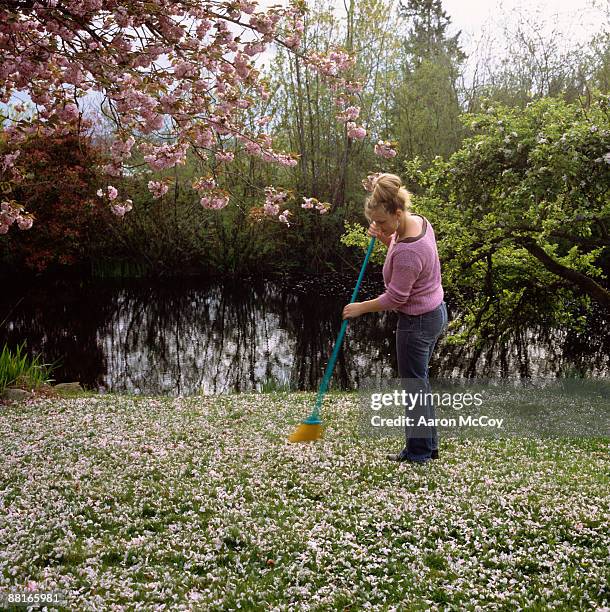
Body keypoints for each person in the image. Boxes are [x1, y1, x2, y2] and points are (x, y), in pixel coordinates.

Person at [342, 173, 448, 463]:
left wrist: (361, 307)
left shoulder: (407, 252)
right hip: (435, 312)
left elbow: (396, 297)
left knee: (414, 387)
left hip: (417, 322)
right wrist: (386, 236)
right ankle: (427, 447)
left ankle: (418, 453)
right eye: (374, 222)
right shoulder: (419, 223)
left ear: (397, 212)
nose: (376, 226)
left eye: (382, 221)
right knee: (420, 384)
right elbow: (399, 244)